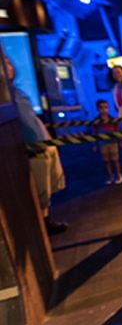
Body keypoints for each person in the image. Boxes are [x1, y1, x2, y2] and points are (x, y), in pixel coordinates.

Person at [3, 54, 68, 235]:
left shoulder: (16, 91)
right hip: (29, 151)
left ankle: (45, 221)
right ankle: (39, 229)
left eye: (8, 62)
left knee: (45, 190)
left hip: (41, 146)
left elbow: (31, 118)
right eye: (4, 63)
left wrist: (47, 139)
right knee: (37, 192)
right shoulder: (5, 96)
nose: (8, 67)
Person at [93, 99, 122, 185]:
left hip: (113, 142)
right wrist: (95, 144)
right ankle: (110, 176)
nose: (104, 109)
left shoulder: (112, 119)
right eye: (101, 107)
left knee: (115, 159)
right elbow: (94, 132)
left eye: (106, 107)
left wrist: (120, 141)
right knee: (106, 160)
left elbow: (117, 130)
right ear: (98, 109)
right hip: (102, 143)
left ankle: (118, 175)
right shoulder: (96, 121)